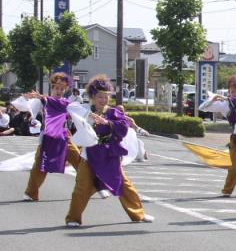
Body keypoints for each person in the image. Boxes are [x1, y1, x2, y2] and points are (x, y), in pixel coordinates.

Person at [65, 75, 153, 226]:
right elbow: (69, 107)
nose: (103, 100)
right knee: (82, 186)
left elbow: (123, 128)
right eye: (100, 96)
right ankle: (73, 218)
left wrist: (107, 123)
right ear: (92, 96)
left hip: (109, 155)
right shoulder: (84, 110)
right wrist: (88, 116)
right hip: (90, 154)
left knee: (124, 185)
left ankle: (139, 214)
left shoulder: (113, 113)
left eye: (106, 97)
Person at [21, 72, 84, 201]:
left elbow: (81, 115)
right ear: (52, 88)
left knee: (79, 161)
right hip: (48, 137)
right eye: (57, 88)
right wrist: (27, 98)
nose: (59, 91)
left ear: (65, 90)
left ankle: (96, 186)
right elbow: (26, 108)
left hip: (64, 136)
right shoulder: (44, 101)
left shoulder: (68, 104)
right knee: (39, 165)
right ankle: (31, 192)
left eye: (62, 89)